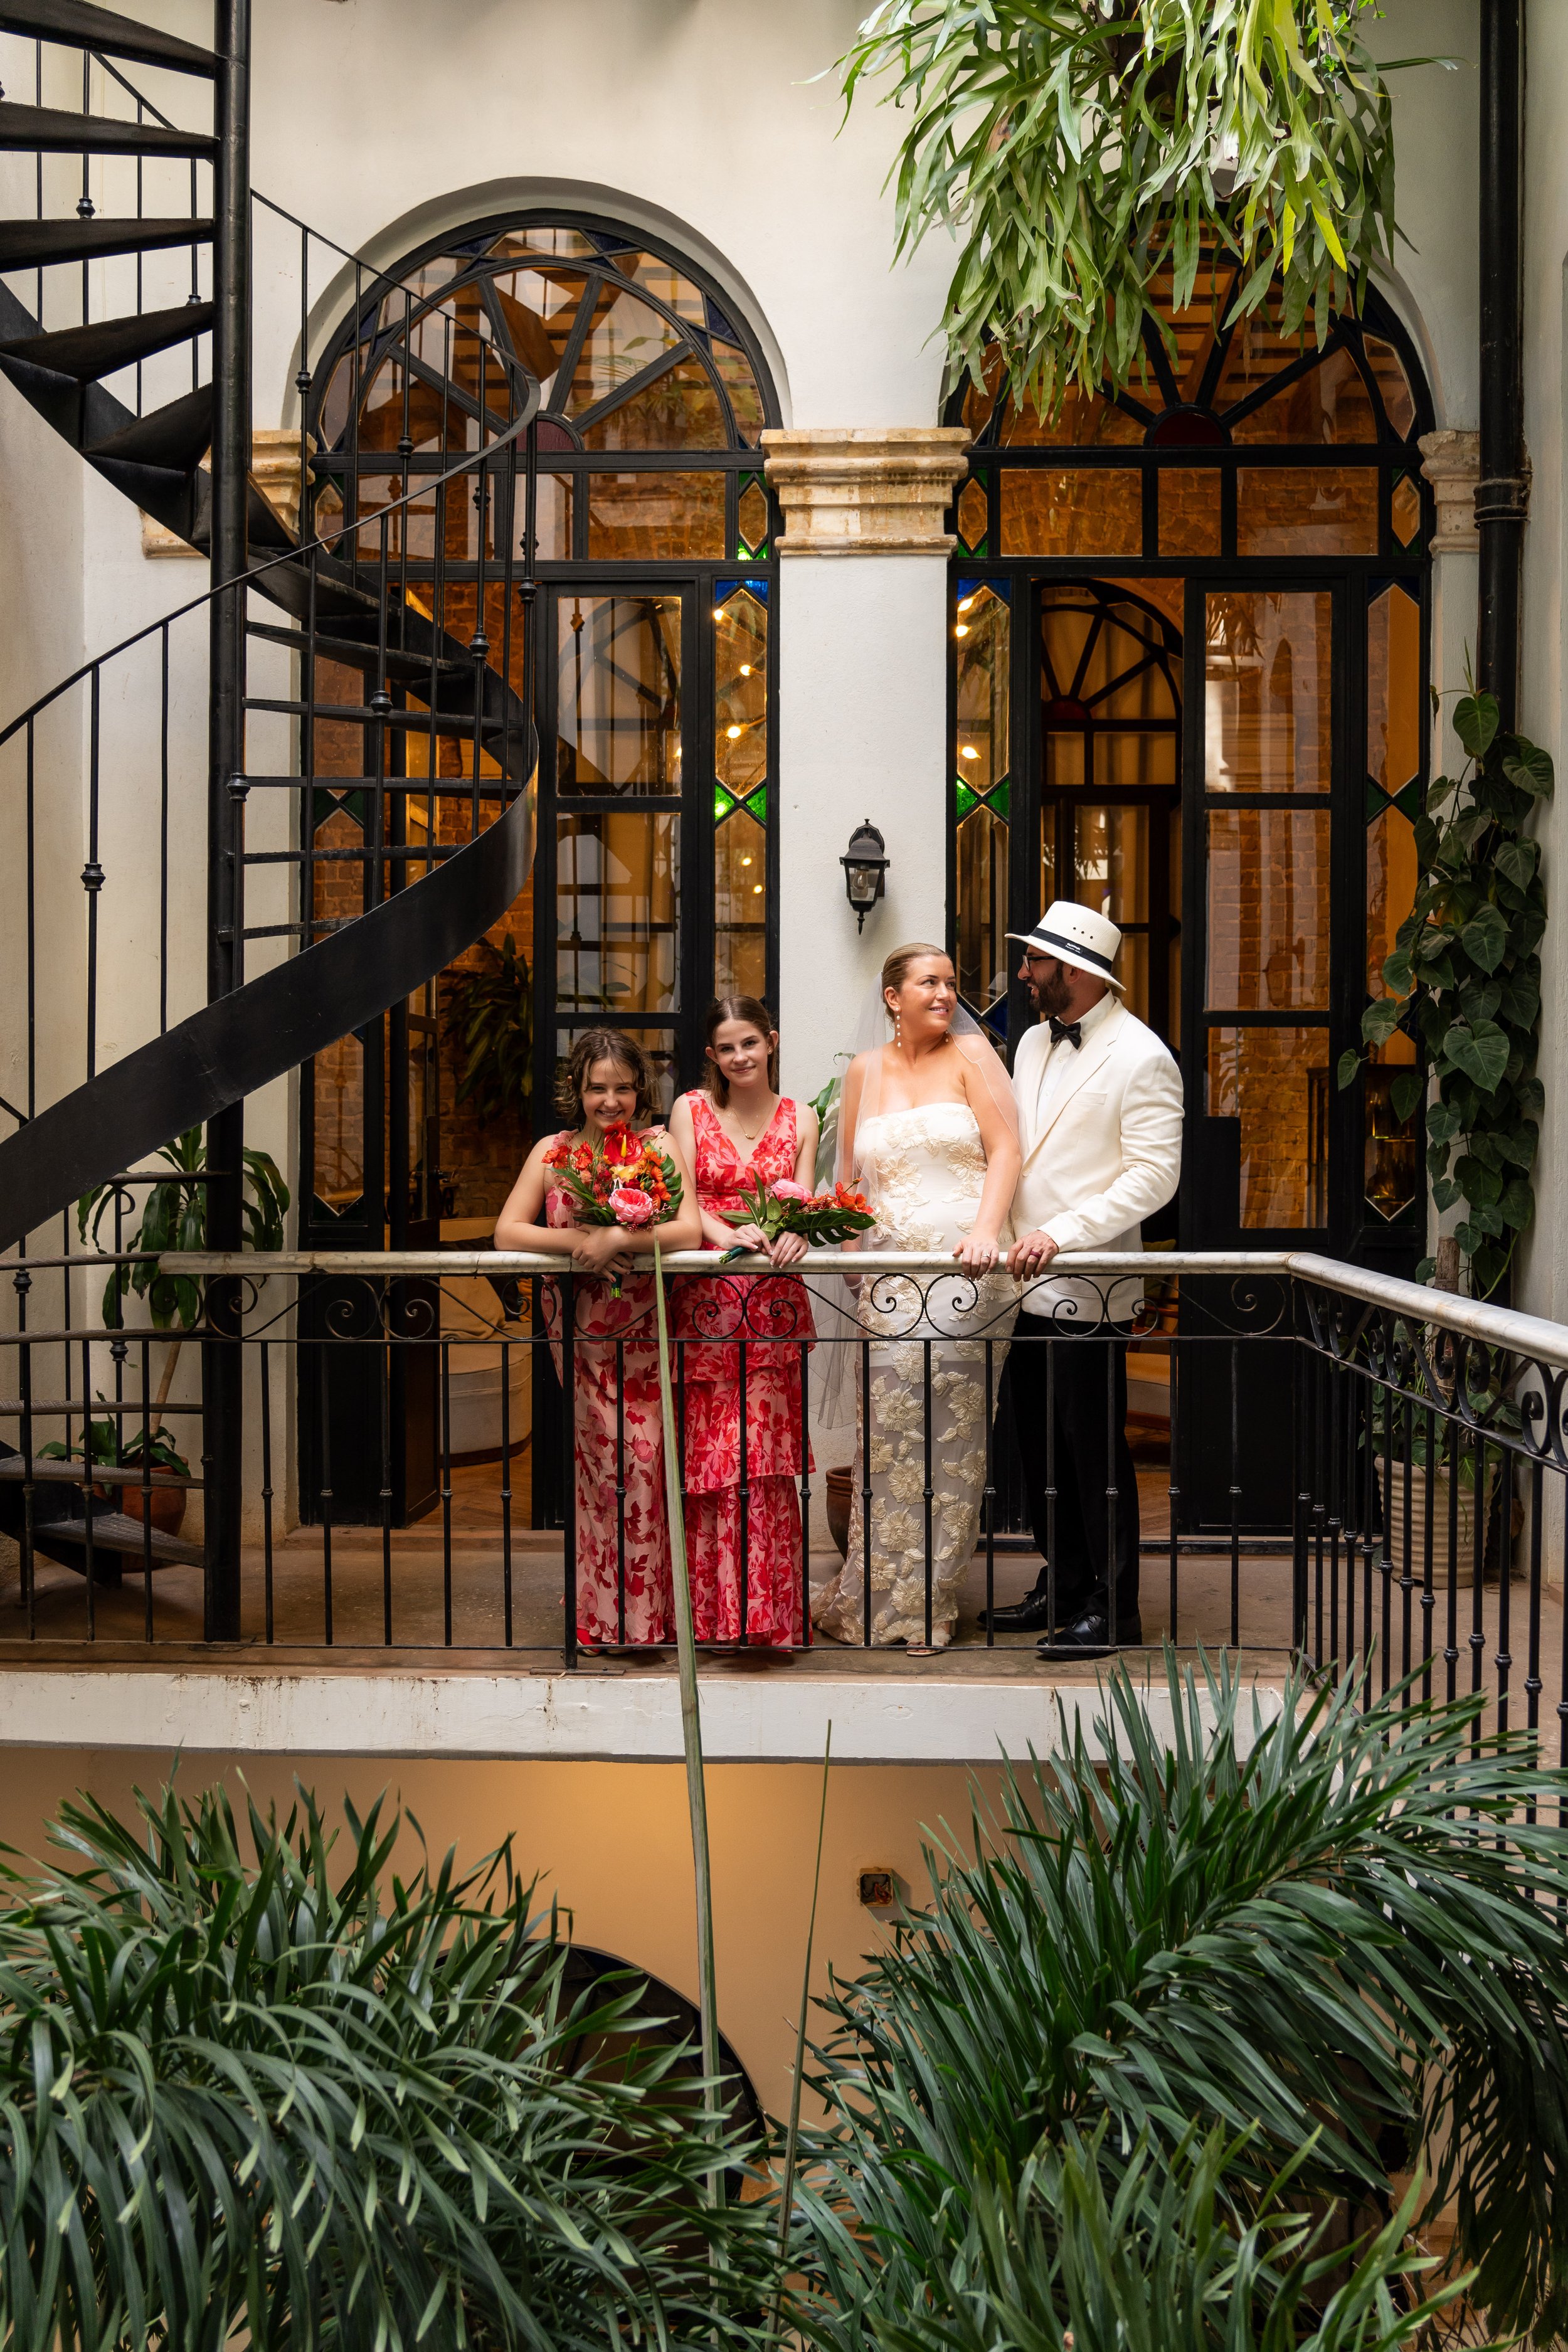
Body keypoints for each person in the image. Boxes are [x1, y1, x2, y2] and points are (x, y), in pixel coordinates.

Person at [978, 901, 1184, 1656]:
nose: (1025, 974)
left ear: (1074, 971)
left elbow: (1155, 1177)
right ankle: (1064, 1583)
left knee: (1093, 1454)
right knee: (1037, 1446)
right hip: (1019, 1283)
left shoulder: (1143, 1056)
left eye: (1034, 962)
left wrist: (1059, 1235)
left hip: (1088, 1284)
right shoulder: (1031, 1042)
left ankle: (1115, 1607)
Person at [811, 943, 1020, 1649]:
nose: (945, 994)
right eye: (928, 982)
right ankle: (875, 1595)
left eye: (951, 983)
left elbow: (1007, 1150)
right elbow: (847, 1180)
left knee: (949, 1442)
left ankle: (927, 1602)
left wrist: (986, 1231)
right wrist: (848, 1258)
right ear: (892, 997)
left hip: (968, 1278)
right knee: (888, 1441)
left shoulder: (971, 1056)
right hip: (888, 1281)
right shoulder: (865, 1072)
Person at [494, 1029, 701, 1650]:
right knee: (599, 1472)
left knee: (644, 1467)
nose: (609, 1100)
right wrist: (582, 1248)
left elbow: (688, 1230)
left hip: (648, 1331)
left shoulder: (658, 1146)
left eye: (622, 1088)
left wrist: (623, 1240)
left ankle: (647, 1620)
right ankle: (600, 1615)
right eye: (596, 1088)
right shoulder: (552, 1153)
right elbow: (508, 1232)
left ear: (639, 1091)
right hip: (582, 1331)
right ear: (577, 1091)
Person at [667, 997, 818, 1647]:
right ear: (712, 1056)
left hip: (775, 1304)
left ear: (771, 1041)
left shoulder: (802, 1117)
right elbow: (685, 1199)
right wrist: (733, 1239)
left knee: (763, 1460)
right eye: (727, 1048)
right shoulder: (690, 1111)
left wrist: (793, 1237)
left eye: (750, 1043)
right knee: (710, 1458)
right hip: (708, 1299)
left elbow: (804, 1204)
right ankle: (711, 1617)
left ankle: (767, 1617)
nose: (740, 1057)